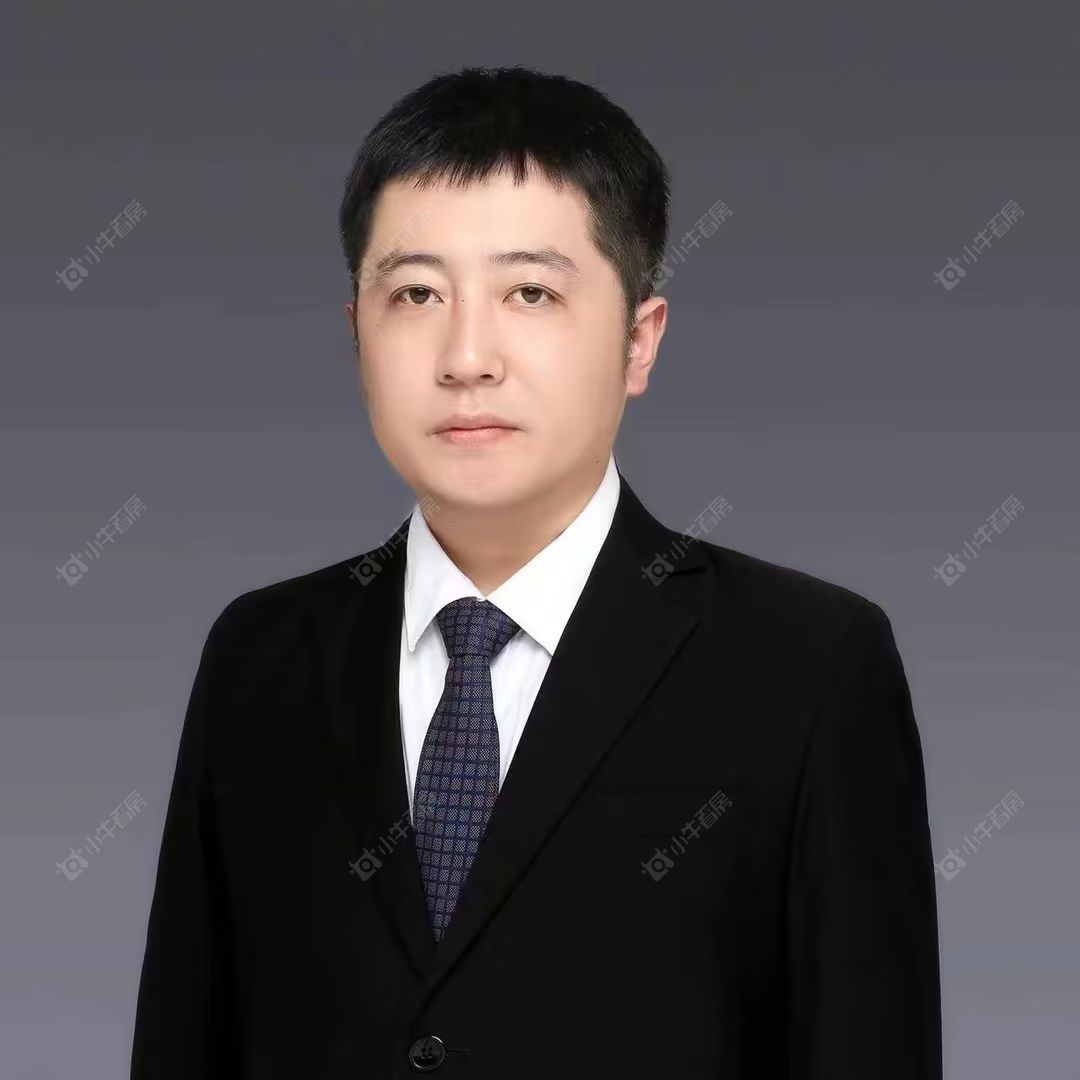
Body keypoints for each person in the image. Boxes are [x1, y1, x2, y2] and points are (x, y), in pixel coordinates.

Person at [131, 65, 942, 1079]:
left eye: (530, 292)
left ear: (638, 341)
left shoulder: (807, 666)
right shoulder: (261, 657)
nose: (467, 356)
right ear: (356, 334)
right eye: (417, 294)